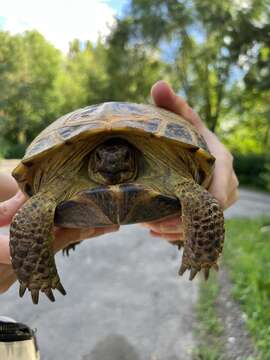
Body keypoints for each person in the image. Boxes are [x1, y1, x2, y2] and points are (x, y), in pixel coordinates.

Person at [0, 80, 239, 293]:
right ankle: (40, 279)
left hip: (160, 167)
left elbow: (203, 201)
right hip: (68, 176)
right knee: (34, 215)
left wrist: (202, 250)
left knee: (200, 202)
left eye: (122, 159)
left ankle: (196, 252)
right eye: (101, 160)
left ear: (133, 156)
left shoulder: (169, 164)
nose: (111, 166)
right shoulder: (60, 173)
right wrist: (34, 269)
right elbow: (29, 213)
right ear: (92, 158)